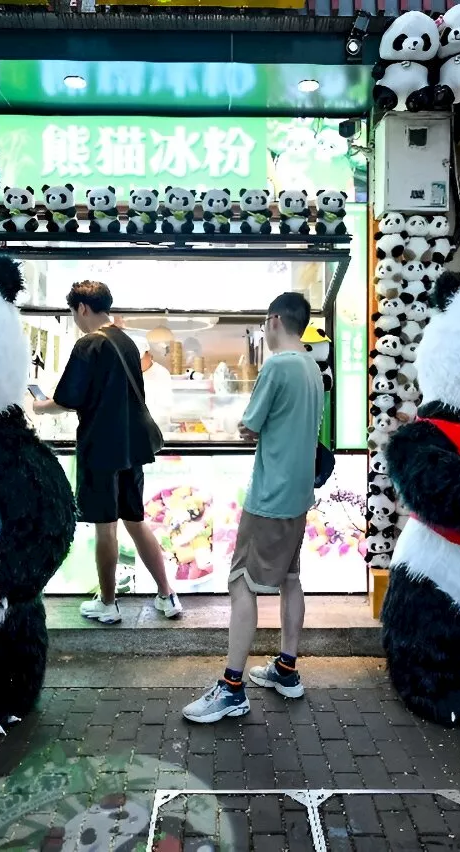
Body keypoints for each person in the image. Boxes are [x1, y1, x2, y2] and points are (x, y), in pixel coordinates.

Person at [182, 292, 324, 723]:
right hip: (298, 495)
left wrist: (248, 427)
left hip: (270, 497)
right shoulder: (313, 369)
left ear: (274, 320)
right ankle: (286, 669)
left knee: (241, 583)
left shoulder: (278, 365)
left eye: (265, 323)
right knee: (290, 580)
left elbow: (249, 425)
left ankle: (231, 687)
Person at [32, 281, 182, 624]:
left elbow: (68, 399)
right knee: (136, 519)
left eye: (74, 313)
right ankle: (167, 594)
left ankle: (108, 603)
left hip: (101, 447)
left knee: (105, 527)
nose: (76, 320)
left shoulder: (88, 344)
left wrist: (40, 408)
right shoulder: (127, 342)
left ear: (82, 308)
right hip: (132, 446)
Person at [127, 332, 174, 431]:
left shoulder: (161, 374)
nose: (135, 365)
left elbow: (164, 408)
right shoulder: (128, 373)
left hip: (156, 429)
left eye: (139, 360)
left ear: (148, 354)